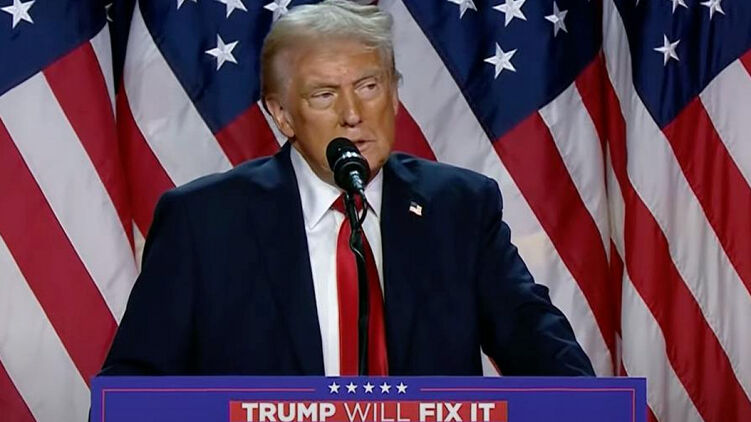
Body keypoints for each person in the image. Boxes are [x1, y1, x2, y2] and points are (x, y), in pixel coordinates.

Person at [101, 0, 594, 377]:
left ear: (394, 93)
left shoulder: (458, 209)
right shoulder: (204, 222)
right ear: (282, 115)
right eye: (324, 95)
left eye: (369, 86)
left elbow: (543, 352)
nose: (353, 114)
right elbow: (134, 387)